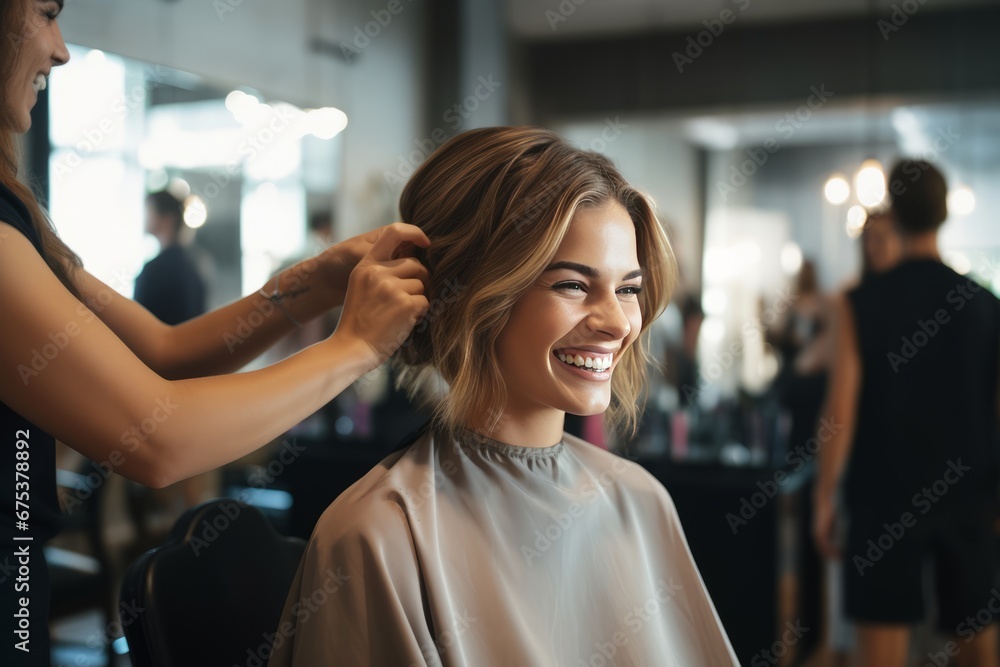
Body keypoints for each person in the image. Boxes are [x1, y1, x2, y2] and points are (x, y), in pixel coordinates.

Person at [0, 2, 430, 664]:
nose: (61, 48)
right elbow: (158, 436)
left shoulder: (20, 225)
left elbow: (166, 352)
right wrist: (356, 348)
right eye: (47, 13)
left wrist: (317, 280)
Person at [267, 127, 739, 666]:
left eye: (628, 289)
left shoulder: (641, 502)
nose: (617, 323)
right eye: (572, 285)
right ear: (474, 296)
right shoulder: (378, 535)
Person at [814, 160, 1000, 667]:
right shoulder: (985, 305)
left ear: (893, 213)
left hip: (883, 497)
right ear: (944, 214)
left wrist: (825, 496)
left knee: (882, 654)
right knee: (978, 646)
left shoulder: (860, 302)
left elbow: (840, 409)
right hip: (971, 493)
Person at [134, 190, 207, 326]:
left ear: (167, 219)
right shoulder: (193, 266)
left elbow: (137, 324)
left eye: (149, 211)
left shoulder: (156, 270)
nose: (144, 218)